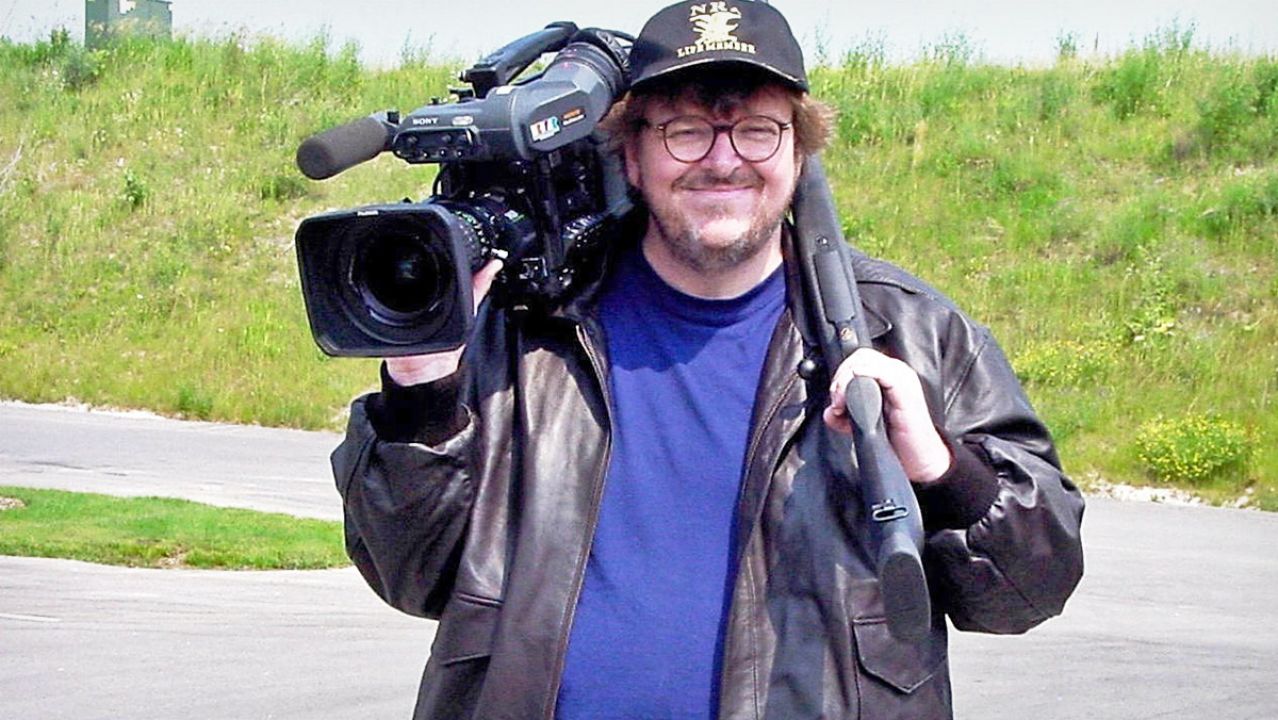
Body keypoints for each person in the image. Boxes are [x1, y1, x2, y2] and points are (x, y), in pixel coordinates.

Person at [332, 2, 1085, 718]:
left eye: (757, 130)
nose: (723, 161)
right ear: (631, 156)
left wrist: (940, 468)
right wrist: (421, 390)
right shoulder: (522, 326)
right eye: (686, 131)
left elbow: (1028, 590)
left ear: (798, 153)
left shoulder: (909, 332)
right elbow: (412, 574)